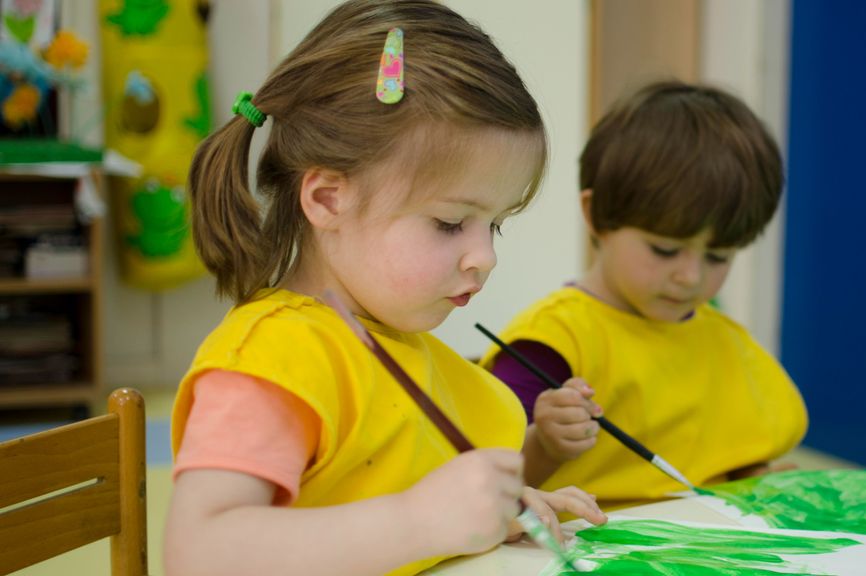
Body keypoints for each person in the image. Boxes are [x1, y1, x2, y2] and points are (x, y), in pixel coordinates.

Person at [164, 2, 605, 575]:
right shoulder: (276, 360)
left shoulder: (395, 340)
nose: (486, 257)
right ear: (328, 199)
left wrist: (502, 508)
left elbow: (398, 486)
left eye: (494, 225)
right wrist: (419, 522)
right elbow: (197, 555)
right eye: (450, 223)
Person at [481, 81, 808, 505]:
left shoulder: (723, 341)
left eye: (718, 256)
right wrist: (545, 444)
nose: (690, 277)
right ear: (596, 215)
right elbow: (481, 482)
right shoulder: (553, 341)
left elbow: (729, 451)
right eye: (665, 249)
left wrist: (751, 478)